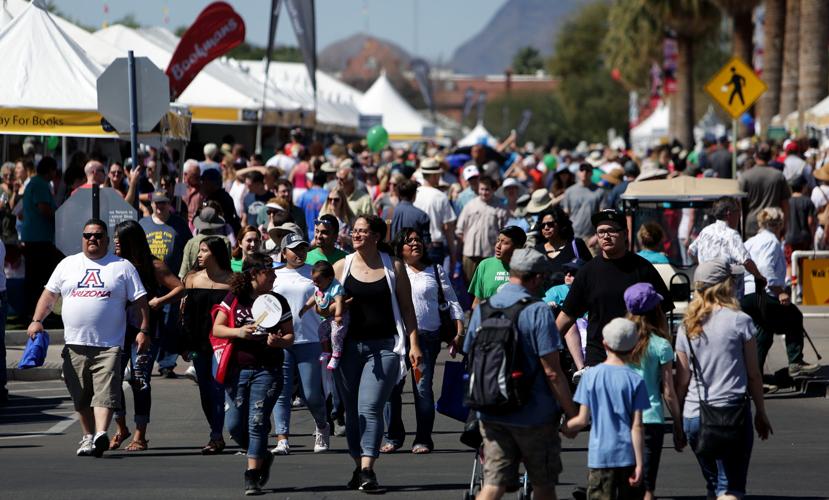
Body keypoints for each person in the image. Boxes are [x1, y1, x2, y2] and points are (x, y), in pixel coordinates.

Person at [28, 219, 149, 457]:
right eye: (88, 235)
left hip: (109, 345)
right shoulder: (67, 264)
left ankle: (101, 434)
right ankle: (87, 436)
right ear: (82, 238)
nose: (92, 239)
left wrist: (144, 330)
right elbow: (49, 296)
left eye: (98, 235)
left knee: (105, 392)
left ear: (106, 238)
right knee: (81, 395)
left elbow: (141, 302)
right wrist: (36, 320)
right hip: (75, 344)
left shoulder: (122, 266)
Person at [464, 248, 577, 500]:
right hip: (533, 413)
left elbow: (469, 356)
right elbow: (552, 371)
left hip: (491, 409)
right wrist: (571, 413)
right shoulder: (537, 311)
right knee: (543, 484)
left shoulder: (483, 309)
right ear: (536, 278)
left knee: (493, 485)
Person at [331, 215, 422, 492]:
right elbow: (322, 307)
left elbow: (407, 309)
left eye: (363, 231)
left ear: (376, 236)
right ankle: (359, 465)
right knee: (351, 412)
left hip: (384, 348)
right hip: (347, 350)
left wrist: (414, 344)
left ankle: (369, 468)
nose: (356, 235)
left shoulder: (393, 266)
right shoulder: (341, 267)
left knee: (369, 407)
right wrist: (334, 308)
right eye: (355, 231)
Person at [675, 259, 773, 499]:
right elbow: (753, 374)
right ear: (725, 285)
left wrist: (678, 423)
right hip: (731, 413)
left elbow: (682, 379)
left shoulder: (686, 325)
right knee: (730, 487)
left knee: (713, 485)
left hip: (695, 415)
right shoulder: (740, 321)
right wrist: (760, 411)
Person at [212, 252, 294, 495]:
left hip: (268, 370)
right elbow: (217, 327)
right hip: (238, 370)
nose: (274, 275)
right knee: (235, 425)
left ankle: (252, 475)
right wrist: (238, 332)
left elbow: (290, 337)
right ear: (254, 274)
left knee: (257, 422)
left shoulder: (278, 301)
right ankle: (262, 455)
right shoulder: (235, 298)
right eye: (269, 271)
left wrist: (278, 341)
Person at [557, 209, 674, 372]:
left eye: (611, 230)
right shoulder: (587, 272)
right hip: (598, 359)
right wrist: (547, 350)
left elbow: (661, 314)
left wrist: (663, 356)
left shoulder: (643, 268)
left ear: (625, 234)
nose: (606, 236)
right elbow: (566, 316)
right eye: (601, 232)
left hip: (638, 358)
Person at [382, 227, 464, 454]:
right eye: (409, 241)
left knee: (422, 389)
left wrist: (458, 333)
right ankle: (394, 436)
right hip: (399, 339)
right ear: (400, 248)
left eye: (418, 240)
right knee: (392, 389)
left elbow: (453, 301)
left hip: (427, 339)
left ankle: (423, 439)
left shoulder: (435, 270)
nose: (415, 244)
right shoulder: (393, 270)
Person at [109, 220, 184, 452]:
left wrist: (159, 301)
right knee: (112, 380)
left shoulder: (153, 265)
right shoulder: (115, 264)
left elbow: (180, 287)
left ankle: (140, 434)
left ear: (132, 240)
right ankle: (120, 427)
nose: (115, 242)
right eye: (114, 237)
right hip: (119, 329)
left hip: (146, 329)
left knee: (139, 379)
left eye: (120, 238)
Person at [563, 318, 649, 499]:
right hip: (628, 456)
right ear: (634, 347)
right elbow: (637, 426)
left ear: (604, 344)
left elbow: (582, 419)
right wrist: (640, 464)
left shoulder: (591, 376)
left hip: (600, 456)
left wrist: (565, 429)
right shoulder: (635, 379)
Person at [740, 208, 819, 380]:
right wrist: (779, 292)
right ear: (780, 224)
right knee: (794, 316)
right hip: (761, 293)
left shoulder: (751, 241)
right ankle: (795, 362)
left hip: (746, 294)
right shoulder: (771, 241)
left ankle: (755, 376)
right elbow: (765, 268)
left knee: (764, 331)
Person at [271, 233, 331, 455]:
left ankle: (322, 426)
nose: (299, 253)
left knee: (312, 393)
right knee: (282, 391)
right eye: (294, 249)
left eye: (303, 248)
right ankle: (282, 438)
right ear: (284, 252)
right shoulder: (275, 275)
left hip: (311, 340)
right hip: (282, 341)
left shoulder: (315, 272)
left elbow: (333, 297)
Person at [623, 283, 684, 500]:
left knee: (624, 485)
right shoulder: (661, 345)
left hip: (620, 417)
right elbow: (668, 390)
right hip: (650, 418)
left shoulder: (619, 341)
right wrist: (678, 425)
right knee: (646, 485)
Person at [179, 236, 234, 454]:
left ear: (216, 254)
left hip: (223, 341)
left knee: (217, 386)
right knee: (205, 390)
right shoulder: (192, 279)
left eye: (204, 251)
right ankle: (216, 429)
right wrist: (183, 343)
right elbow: (185, 315)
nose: (199, 255)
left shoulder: (233, 280)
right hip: (198, 341)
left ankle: (216, 435)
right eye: (199, 251)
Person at [688, 197, 767, 299]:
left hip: (703, 286)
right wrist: (759, 276)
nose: (739, 216)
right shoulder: (731, 234)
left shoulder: (705, 231)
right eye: (738, 212)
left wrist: (704, 266)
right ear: (729, 213)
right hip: (724, 292)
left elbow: (690, 251)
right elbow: (746, 261)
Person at [21, 156, 62, 321]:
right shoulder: (40, 184)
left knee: (35, 278)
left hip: (34, 237)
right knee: (41, 279)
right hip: (39, 239)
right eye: (54, 170)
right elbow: (44, 208)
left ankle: (34, 312)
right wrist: (61, 218)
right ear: (50, 170)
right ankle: (39, 313)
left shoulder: (35, 183)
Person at [455, 176, 510, 282]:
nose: (484, 192)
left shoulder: (501, 208)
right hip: (470, 255)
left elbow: (506, 234)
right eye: (482, 189)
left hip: (490, 255)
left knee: (488, 285)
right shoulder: (470, 206)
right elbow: (460, 230)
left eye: (487, 189)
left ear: (493, 190)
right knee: (470, 285)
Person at [301, 260, 347, 370]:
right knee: (321, 330)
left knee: (335, 334)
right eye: (314, 281)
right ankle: (326, 351)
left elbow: (339, 301)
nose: (315, 283)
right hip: (328, 317)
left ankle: (336, 355)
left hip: (340, 317)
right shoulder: (320, 286)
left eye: (318, 281)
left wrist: (338, 315)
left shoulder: (336, 288)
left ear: (330, 278)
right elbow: (315, 297)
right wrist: (306, 307)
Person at [739, 143, 791, 238]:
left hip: (752, 225)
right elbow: (785, 205)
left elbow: (740, 205)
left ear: (755, 156)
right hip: (772, 224)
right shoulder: (778, 176)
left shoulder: (745, 176)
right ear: (770, 157)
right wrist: (784, 225)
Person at [468, 226, 527, 308]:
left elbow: (536, 301)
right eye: (498, 241)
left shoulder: (527, 268)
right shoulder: (485, 265)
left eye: (504, 243)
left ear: (518, 247)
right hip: (490, 319)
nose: (498, 246)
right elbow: (477, 302)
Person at [414, 158, 457, 270]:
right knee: (436, 283)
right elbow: (448, 227)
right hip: (434, 247)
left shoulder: (414, 194)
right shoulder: (440, 196)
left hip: (415, 245)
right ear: (433, 176)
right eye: (438, 175)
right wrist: (453, 252)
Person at [533, 206, 591, 280]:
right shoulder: (537, 250)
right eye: (543, 225)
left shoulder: (576, 245)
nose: (546, 228)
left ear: (560, 224)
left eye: (550, 224)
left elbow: (591, 271)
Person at [178, 206, 232, 279]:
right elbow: (227, 268)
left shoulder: (191, 242)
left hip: (195, 285)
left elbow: (183, 274)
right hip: (219, 284)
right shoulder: (224, 241)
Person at [561, 163, 606, 250]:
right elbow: (566, 215)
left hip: (591, 237)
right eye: (582, 170)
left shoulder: (600, 191)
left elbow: (602, 216)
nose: (584, 173)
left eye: (587, 170)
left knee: (592, 263)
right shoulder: (569, 191)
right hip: (572, 237)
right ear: (578, 172)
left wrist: (597, 236)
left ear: (591, 173)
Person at [389, 179, 430, 243]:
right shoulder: (422, 215)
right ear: (414, 195)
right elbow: (426, 242)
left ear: (398, 194)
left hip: (391, 252)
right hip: (413, 252)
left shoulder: (387, 212)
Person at [201, 168, 241, 234]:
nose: (202, 184)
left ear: (212, 183)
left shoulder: (221, 198)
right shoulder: (211, 197)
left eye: (204, 181)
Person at [319, 186, 357, 251]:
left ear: (342, 201)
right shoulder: (323, 217)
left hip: (345, 254)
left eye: (336, 200)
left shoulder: (351, 219)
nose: (333, 202)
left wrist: (346, 239)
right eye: (330, 199)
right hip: (328, 254)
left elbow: (357, 240)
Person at [297, 170, 329, 242]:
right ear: (325, 181)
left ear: (313, 180)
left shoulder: (303, 196)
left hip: (305, 235)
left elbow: (297, 214)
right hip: (322, 235)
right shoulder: (328, 196)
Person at [182, 159, 203, 231]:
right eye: (195, 175)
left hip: (196, 226)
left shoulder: (201, 188)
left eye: (199, 175)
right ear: (185, 174)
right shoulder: (180, 185)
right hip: (182, 222)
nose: (199, 178)